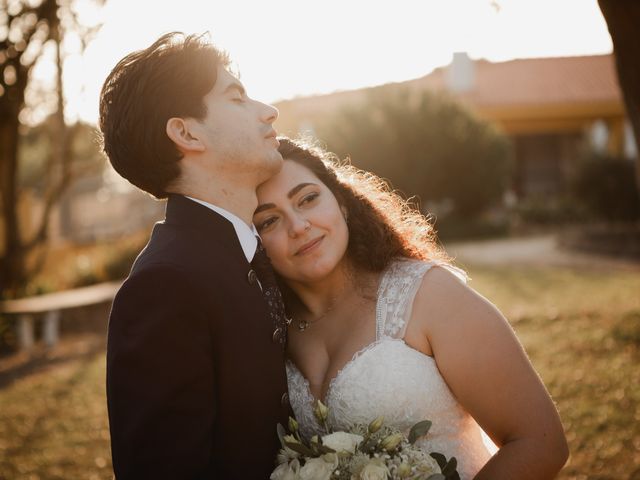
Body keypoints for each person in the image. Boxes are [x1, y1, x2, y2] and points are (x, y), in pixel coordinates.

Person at [253, 137, 569, 479]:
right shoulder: (269, 329)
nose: (298, 226)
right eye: (269, 221)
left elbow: (540, 443)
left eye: (308, 199)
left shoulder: (428, 294)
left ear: (341, 201)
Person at [99, 32, 290, 479]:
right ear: (186, 132)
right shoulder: (164, 287)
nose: (269, 110)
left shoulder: (258, 256)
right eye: (236, 96)